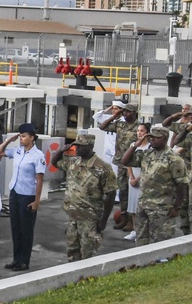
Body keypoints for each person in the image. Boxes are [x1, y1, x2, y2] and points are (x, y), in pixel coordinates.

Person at [51, 133, 116, 261]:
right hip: (73, 217)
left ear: (90, 147)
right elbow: (55, 163)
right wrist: (60, 150)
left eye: (81, 146)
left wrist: (103, 221)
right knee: (72, 253)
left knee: (88, 256)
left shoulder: (102, 168)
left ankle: (87, 280)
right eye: (76, 146)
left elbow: (111, 194)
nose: (77, 148)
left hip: (89, 219)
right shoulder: (73, 162)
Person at [121, 125, 188, 247]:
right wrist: (135, 145)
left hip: (162, 206)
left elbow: (182, 184)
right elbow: (125, 161)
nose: (152, 140)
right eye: (151, 137)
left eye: (157, 138)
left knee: (160, 241)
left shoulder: (174, 159)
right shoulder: (147, 154)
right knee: (141, 239)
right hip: (144, 204)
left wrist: (177, 207)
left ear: (165, 139)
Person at [0, 123, 46, 270]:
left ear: (32, 138)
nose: (21, 139)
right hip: (15, 192)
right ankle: (16, 259)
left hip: (27, 195)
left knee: (26, 229)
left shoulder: (38, 156)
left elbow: (40, 180)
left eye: (24, 136)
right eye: (20, 136)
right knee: (15, 228)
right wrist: (8, 141)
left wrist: (37, 201)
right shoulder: (18, 151)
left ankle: (24, 261)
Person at [99, 102, 140, 232]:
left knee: (132, 191)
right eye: (124, 112)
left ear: (134, 113)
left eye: (128, 112)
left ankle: (133, 219)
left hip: (133, 163)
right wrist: (113, 117)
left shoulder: (139, 127)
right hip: (120, 162)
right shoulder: (120, 124)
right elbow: (102, 127)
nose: (125, 114)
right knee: (122, 190)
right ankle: (124, 216)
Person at [124, 123, 150, 240]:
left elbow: (148, 167)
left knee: (141, 207)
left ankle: (142, 232)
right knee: (133, 206)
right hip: (133, 178)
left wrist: (138, 179)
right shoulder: (133, 145)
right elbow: (128, 162)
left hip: (143, 179)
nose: (139, 133)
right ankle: (135, 230)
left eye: (142, 131)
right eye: (138, 131)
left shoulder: (150, 147)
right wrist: (131, 177)